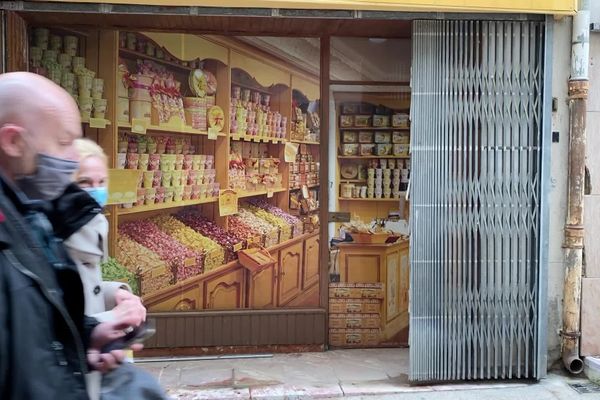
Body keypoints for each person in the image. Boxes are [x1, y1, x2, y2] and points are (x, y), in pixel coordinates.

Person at [0, 71, 142, 399]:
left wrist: (84, 336)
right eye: (64, 143)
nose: (73, 160)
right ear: (13, 141)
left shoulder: (29, 218)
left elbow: (31, 340)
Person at [63, 138, 165, 400]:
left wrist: (116, 294)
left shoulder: (93, 223)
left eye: (101, 183)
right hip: (68, 374)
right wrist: (106, 322)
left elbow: (87, 286)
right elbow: (53, 316)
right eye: (84, 182)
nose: (95, 191)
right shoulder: (54, 233)